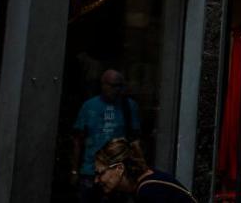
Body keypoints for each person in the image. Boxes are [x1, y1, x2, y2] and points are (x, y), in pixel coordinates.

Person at [71, 69, 141, 202]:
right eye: (113, 86)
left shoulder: (129, 106)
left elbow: (135, 139)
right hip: (90, 171)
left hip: (118, 173)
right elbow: (77, 140)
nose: (117, 90)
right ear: (103, 85)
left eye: (120, 86)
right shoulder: (89, 106)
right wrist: (74, 170)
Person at [92, 138, 195, 202]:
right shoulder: (146, 182)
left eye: (100, 173)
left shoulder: (149, 191)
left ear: (120, 168)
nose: (96, 180)